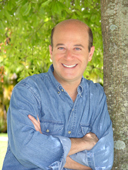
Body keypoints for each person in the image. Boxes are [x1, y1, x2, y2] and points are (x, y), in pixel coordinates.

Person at [2, 19, 114, 170]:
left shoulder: (96, 96)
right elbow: (26, 149)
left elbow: (103, 162)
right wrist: (84, 143)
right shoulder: (28, 91)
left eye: (77, 48)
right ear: (51, 51)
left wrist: (44, 146)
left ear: (90, 53)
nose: (68, 56)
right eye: (61, 48)